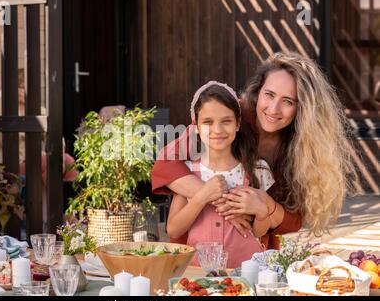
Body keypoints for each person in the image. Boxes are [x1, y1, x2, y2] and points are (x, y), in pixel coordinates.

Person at [152, 51, 355, 250]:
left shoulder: (304, 148)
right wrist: (222, 201)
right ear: (258, 93)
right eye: (269, 95)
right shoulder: (228, 115)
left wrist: (264, 205)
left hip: (251, 253)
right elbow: (166, 163)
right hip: (193, 250)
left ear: (303, 109)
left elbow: (294, 220)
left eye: (288, 101)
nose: (274, 109)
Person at [166, 82, 275, 267]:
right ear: (197, 127)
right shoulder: (189, 173)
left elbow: (259, 232)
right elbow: (173, 230)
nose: (217, 130)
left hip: (246, 273)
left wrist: (262, 213)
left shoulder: (257, 170)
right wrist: (201, 197)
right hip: (200, 275)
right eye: (208, 122)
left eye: (226, 121)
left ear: (238, 124)